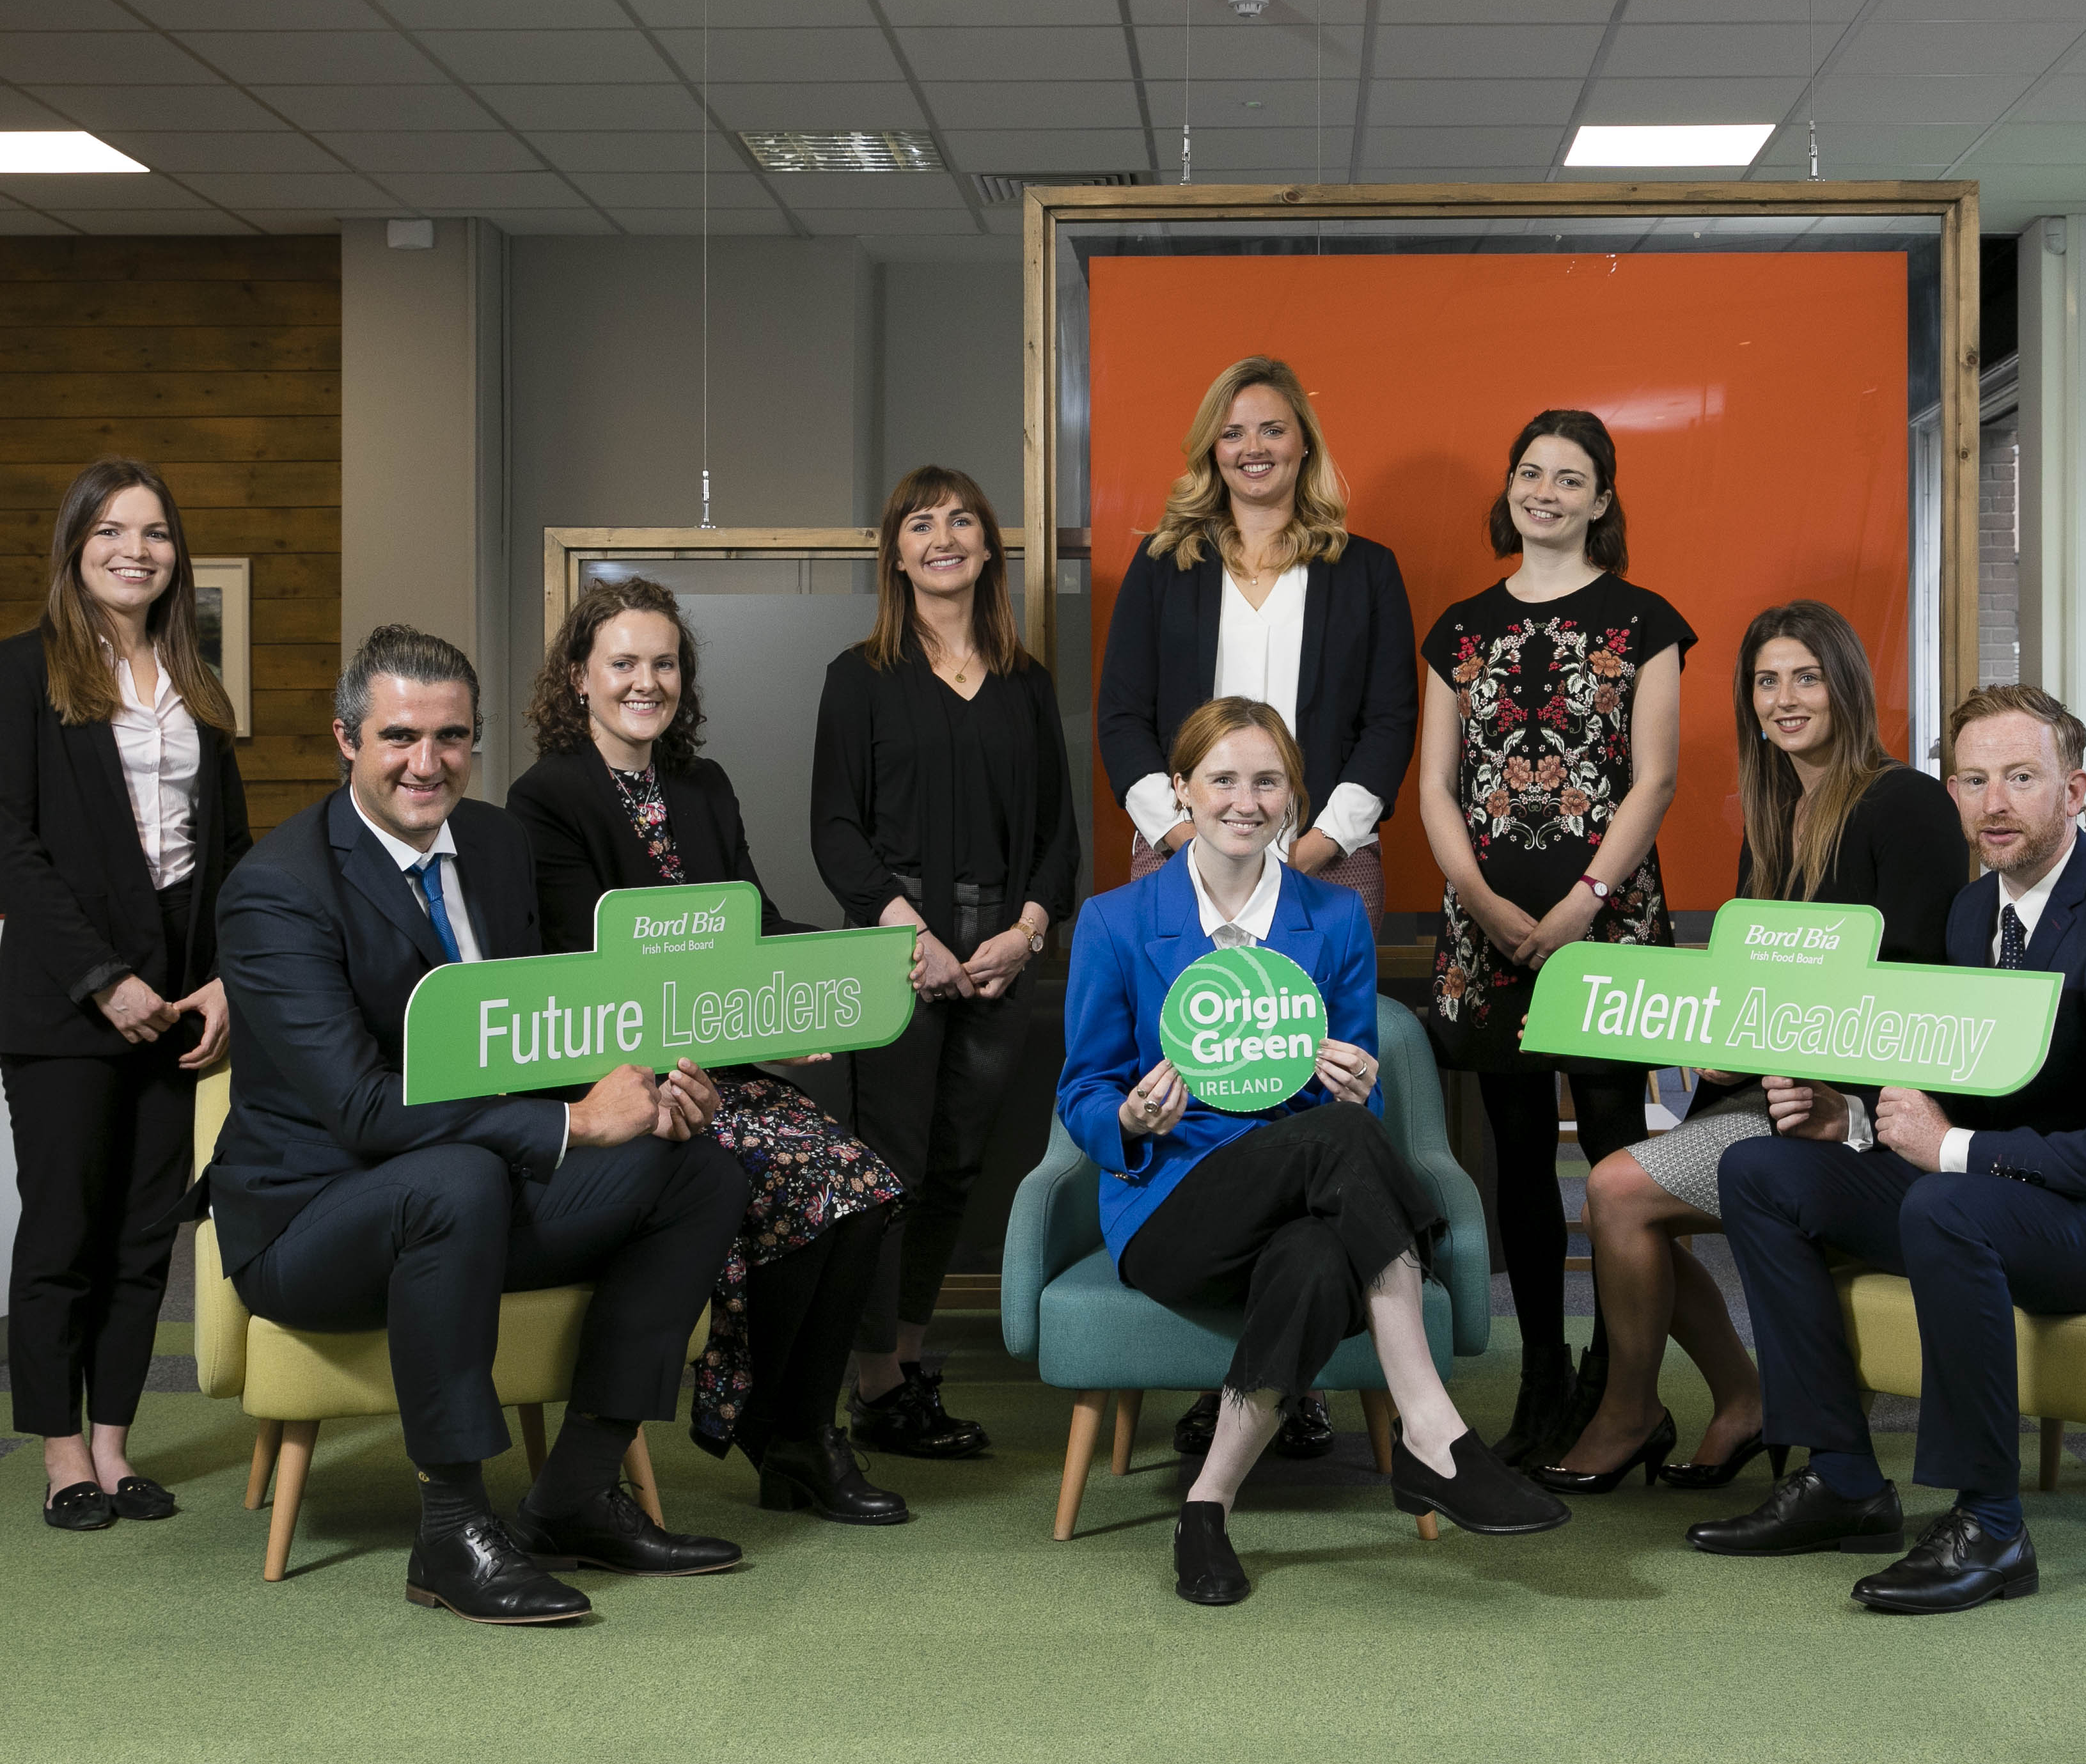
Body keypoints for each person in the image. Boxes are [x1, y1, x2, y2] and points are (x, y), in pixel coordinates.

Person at [205, 625, 751, 1626]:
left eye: (451, 737)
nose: (428, 762)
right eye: (399, 737)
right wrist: (574, 1125)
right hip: (311, 1221)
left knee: (700, 1168)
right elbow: (362, 1107)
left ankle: (576, 1492)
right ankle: (452, 1534)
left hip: (478, 1195)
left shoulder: (497, 844)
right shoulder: (278, 889)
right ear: (346, 739)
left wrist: (652, 1089)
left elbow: (545, 1026)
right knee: (453, 1179)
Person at [1687, 684, 2086, 1614]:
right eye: (1974, 780)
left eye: (2021, 778)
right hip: (2012, 1195)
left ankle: (1990, 1525)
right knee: (1760, 1169)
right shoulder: (1969, 913)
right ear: (1951, 793)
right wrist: (1849, 1119)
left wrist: (1948, 1148)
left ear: (2073, 791)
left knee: (1945, 1202)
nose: (1995, 803)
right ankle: (1843, 1478)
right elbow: (1964, 1085)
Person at [1059, 698, 1569, 1605]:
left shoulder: (1332, 918)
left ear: (1292, 797)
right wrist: (1129, 1118)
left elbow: (1356, 1092)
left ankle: (1205, 1510)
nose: (1244, 801)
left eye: (1267, 782)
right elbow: (1082, 1092)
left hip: (1307, 1196)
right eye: (1222, 779)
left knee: (1316, 1257)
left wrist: (1357, 1082)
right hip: (1172, 1205)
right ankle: (1434, 1432)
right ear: (1181, 789)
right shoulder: (1116, 920)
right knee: (1341, 1142)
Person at [511, 576, 911, 1525]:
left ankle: (798, 1437)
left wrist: (843, 969)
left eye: (664, 663)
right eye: (622, 663)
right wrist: (751, 1017)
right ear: (579, 677)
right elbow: (594, 964)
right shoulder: (546, 797)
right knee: (804, 1178)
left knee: (863, 1186)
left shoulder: (703, 784)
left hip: (721, 1065)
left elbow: (750, 922)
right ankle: (788, 1434)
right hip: (626, 1080)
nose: (645, 681)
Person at [1541, 602, 1964, 1495]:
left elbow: (1914, 986)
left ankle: (1633, 1410)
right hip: (1763, 1089)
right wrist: (1717, 1041)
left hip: (1854, 1109)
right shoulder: (1775, 813)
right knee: (1627, 1206)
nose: (1785, 699)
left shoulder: (1906, 802)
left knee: (1615, 1190)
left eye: (1806, 677)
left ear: (1846, 685)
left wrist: (1780, 1057)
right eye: (1766, 682)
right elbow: (1756, 978)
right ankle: (1743, 1397)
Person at [1096, 357, 1418, 1463]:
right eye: (1233, 432)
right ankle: (1234, 1369)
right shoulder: (1164, 565)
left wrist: (1319, 843)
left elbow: (1388, 718)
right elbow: (1122, 716)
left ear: (1302, 445)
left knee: (1307, 1083)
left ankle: (1296, 1375)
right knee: (1202, 1090)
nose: (1253, 448)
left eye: (1273, 429)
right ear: (1211, 448)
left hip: (1326, 845)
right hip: (1187, 842)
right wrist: (1183, 831)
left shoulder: (1364, 569)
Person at [0, 457, 252, 1531]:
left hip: (179, 1004)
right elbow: (11, 848)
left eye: (156, 532)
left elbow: (230, 851)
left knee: (143, 1239)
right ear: (75, 546)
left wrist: (226, 975)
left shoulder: (196, 685)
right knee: (63, 1232)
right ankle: (62, 1454)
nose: (137, 549)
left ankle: (118, 1446)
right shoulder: (13, 673)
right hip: (64, 1009)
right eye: (113, 531)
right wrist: (103, 979)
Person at [1416, 407, 1686, 1465]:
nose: (1545, 492)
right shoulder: (1459, 630)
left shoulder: (1644, 620)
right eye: (1530, 472)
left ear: (1600, 499)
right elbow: (1434, 788)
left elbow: (1653, 779)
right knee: (1519, 1159)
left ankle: (1625, 1388)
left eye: (1570, 478)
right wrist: (1478, 899)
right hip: (1485, 933)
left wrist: (1584, 899)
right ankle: (1540, 1377)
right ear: (1510, 486)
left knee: (1618, 1156)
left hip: (1607, 924)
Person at [811, 467, 1079, 1461]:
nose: (943, 537)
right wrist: (907, 934)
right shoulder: (859, 677)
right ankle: (871, 1378)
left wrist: (1030, 929)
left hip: (1001, 959)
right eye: (920, 523)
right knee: (891, 1168)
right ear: (896, 553)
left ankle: (907, 1366)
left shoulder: (1025, 682)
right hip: (896, 957)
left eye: (961, 519)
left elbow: (1057, 832)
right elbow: (834, 828)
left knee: (958, 1166)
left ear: (987, 546)